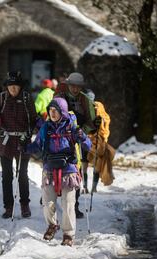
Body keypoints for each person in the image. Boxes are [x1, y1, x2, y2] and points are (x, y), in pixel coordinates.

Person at [26, 97, 91, 246]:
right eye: (50, 110)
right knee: (48, 202)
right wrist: (25, 147)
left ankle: (68, 234)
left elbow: (88, 145)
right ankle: (52, 225)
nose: (52, 113)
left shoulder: (71, 127)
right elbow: (37, 145)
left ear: (62, 111)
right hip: (49, 168)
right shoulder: (46, 128)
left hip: (68, 169)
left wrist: (82, 136)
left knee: (68, 204)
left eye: (55, 110)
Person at [0, 71, 37, 219]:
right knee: (7, 176)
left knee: (22, 175)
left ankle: (24, 205)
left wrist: (33, 129)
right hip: (5, 142)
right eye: (10, 86)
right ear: (6, 87)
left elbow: (33, 119)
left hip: (23, 141)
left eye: (16, 86)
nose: (13, 89)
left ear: (21, 87)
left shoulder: (27, 99)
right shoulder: (0, 98)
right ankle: (8, 207)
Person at [54, 72, 97, 218]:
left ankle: (75, 206)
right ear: (68, 85)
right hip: (58, 138)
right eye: (72, 86)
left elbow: (91, 123)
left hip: (76, 141)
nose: (75, 89)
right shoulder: (59, 98)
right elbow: (52, 117)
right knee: (55, 168)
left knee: (75, 173)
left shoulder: (85, 101)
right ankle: (50, 198)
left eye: (78, 86)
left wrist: (82, 131)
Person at [85, 90, 115, 192]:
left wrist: (100, 121)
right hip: (85, 138)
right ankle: (85, 186)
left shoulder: (98, 106)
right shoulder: (82, 106)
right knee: (83, 163)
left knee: (98, 161)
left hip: (98, 138)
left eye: (91, 98)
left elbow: (106, 119)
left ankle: (94, 187)